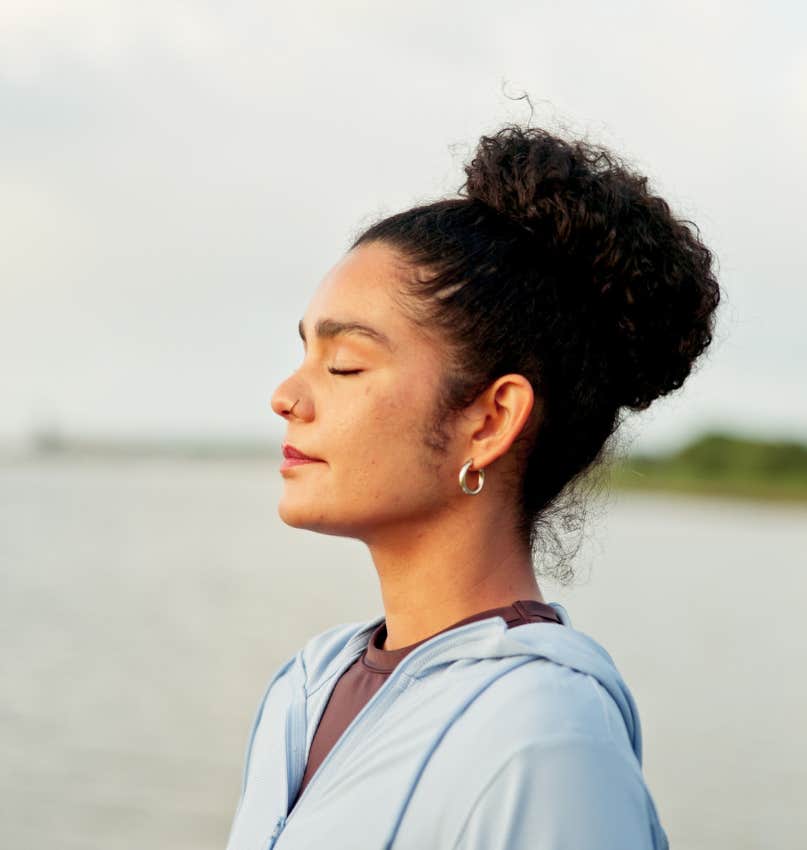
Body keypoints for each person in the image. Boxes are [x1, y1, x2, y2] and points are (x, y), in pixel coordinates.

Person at [225, 124, 721, 849]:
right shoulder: (307, 686)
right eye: (304, 351)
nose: (285, 396)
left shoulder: (545, 739)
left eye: (347, 364)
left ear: (489, 419)